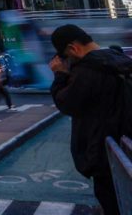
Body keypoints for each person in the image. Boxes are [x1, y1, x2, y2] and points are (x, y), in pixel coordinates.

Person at [50, 24, 132, 214]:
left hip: (102, 153)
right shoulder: (117, 58)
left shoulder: (88, 70)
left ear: (73, 48)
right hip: (122, 145)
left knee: (112, 202)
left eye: (65, 56)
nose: (67, 61)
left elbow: (65, 103)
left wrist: (60, 75)